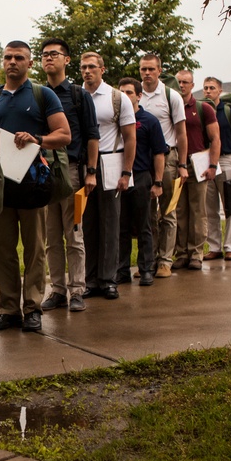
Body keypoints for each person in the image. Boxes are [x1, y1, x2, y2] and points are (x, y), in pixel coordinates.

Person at [0, 41, 71, 332]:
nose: (12, 62)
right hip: (0, 186)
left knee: (35, 249)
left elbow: (64, 134)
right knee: (1, 250)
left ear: (29, 63)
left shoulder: (42, 94)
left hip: (33, 183)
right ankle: (9, 310)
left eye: (19, 57)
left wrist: (37, 139)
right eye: (8, 57)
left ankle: (32, 308)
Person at [40, 38, 99, 313]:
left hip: (73, 173)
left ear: (66, 60)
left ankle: (77, 291)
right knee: (51, 238)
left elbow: (91, 136)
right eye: (44, 55)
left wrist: (91, 172)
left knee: (74, 235)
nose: (49, 58)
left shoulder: (78, 95)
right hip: (44, 175)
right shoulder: (37, 95)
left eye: (54, 54)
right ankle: (57, 290)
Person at [80, 52, 135, 298]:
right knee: (87, 225)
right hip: (82, 164)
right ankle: (90, 280)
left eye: (92, 67)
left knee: (111, 224)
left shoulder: (117, 98)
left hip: (110, 161)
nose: (87, 71)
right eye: (83, 67)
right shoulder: (76, 95)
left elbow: (130, 137)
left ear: (102, 69)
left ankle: (108, 279)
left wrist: (126, 172)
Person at [139, 54, 187, 278]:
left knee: (167, 211)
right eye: (143, 69)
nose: (146, 73)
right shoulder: (134, 96)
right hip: (142, 160)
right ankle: (148, 259)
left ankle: (165, 260)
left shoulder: (171, 96)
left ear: (159, 71)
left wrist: (182, 163)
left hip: (168, 157)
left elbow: (181, 132)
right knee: (147, 213)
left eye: (150, 69)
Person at [117, 78, 167, 286]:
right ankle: (121, 270)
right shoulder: (115, 119)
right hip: (118, 178)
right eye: (121, 93)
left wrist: (158, 181)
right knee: (121, 227)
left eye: (129, 93)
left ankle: (146, 268)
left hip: (142, 176)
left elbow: (159, 153)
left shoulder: (149, 121)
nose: (125, 97)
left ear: (138, 96)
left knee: (144, 224)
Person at [173, 69, 220, 270]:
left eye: (186, 82)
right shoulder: (171, 106)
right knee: (179, 211)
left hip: (198, 164)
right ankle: (181, 253)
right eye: (179, 82)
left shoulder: (203, 108)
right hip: (175, 165)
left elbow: (216, 138)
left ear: (193, 85)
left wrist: (212, 165)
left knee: (198, 211)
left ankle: (196, 253)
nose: (182, 85)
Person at [202, 77, 231, 261]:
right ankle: (214, 247)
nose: (208, 91)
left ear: (220, 91)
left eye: (212, 88)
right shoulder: (203, 111)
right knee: (209, 209)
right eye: (205, 88)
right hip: (206, 162)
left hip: (228, 160)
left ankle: (230, 247)